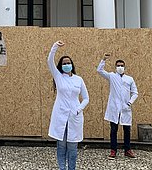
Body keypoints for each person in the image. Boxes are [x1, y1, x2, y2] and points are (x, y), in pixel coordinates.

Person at [47, 40, 89, 170]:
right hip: (61, 116)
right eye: (64, 63)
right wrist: (55, 46)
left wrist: (78, 109)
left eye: (69, 63)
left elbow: (86, 98)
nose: (67, 65)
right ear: (61, 66)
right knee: (61, 146)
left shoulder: (78, 79)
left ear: (72, 65)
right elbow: (49, 61)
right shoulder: (58, 76)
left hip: (74, 116)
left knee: (72, 148)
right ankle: (62, 168)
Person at [97, 53, 138, 159]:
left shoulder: (129, 79)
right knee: (113, 130)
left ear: (124, 67)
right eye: (118, 65)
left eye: (122, 65)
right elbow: (99, 71)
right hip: (114, 108)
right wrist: (103, 60)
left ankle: (127, 150)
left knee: (127, 130)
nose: (120, 67)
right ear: (115, 67)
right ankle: (113, 151)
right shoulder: (112, 76)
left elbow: (135, 93)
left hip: (125, 108)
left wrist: (129, 102)